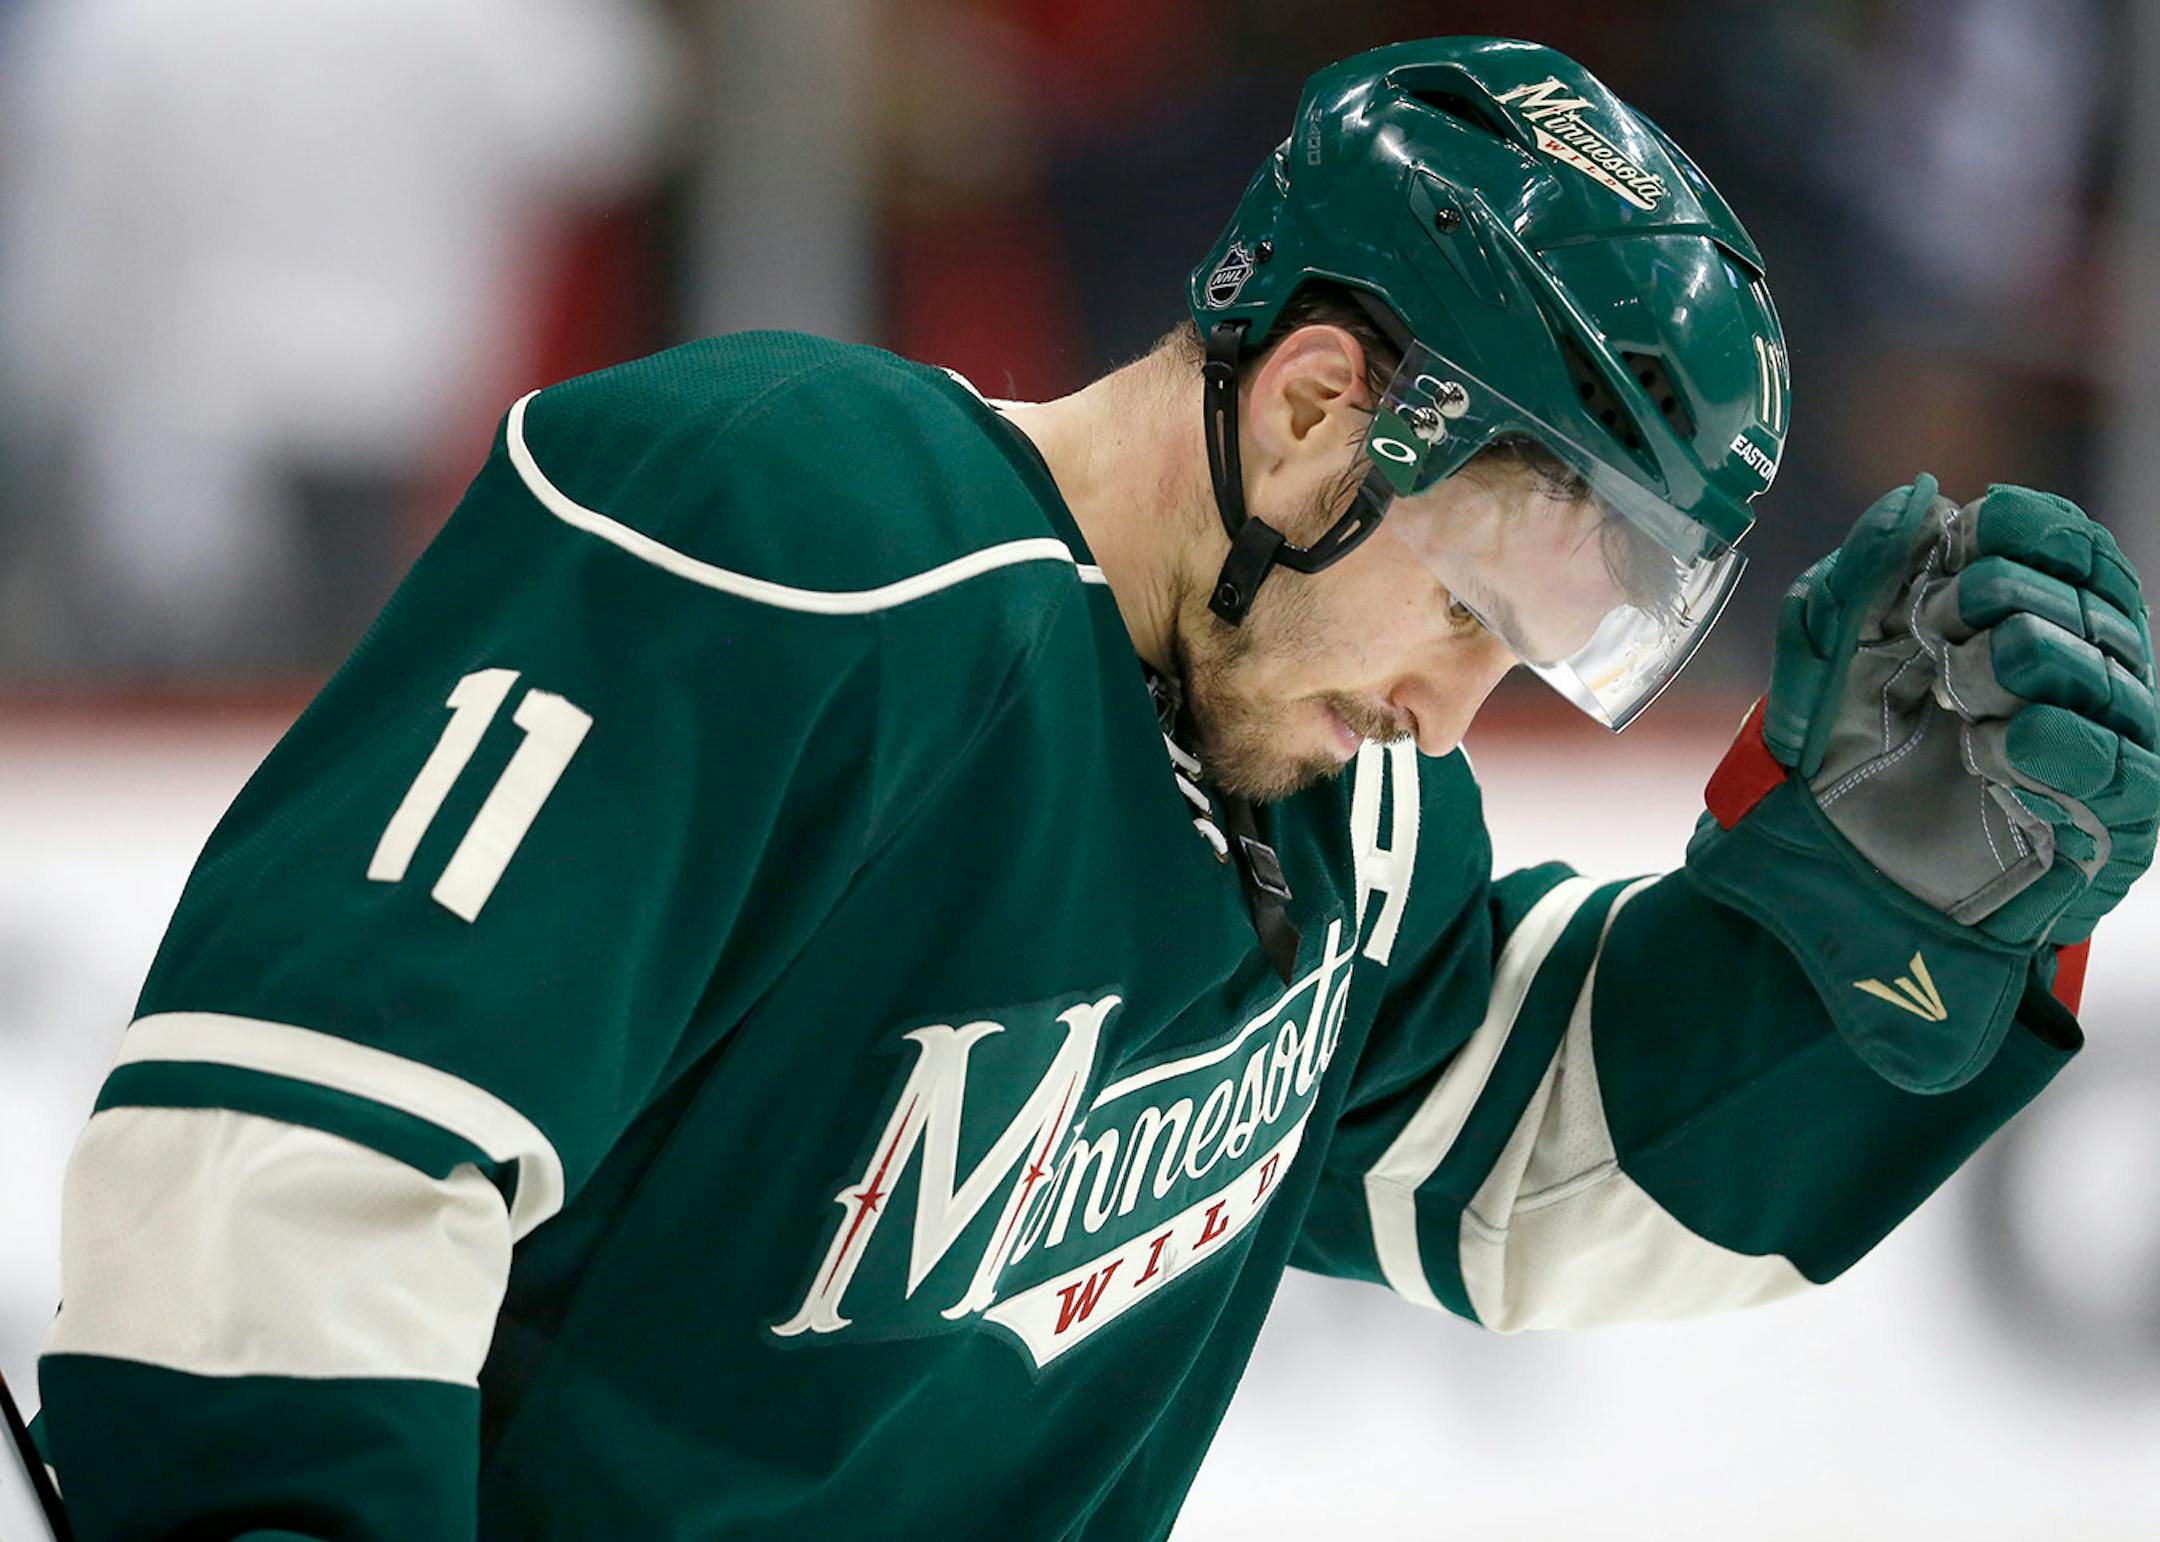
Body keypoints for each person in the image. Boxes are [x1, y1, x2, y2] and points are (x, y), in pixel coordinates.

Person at [33, 36, 2159, 1542]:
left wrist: (1886, 934)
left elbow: (1529, 1186)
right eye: (1471, 612)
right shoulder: (799, 531)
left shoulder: (1346, 819)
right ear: (1324, 416)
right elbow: (311, 1150)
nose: (1452, 709)